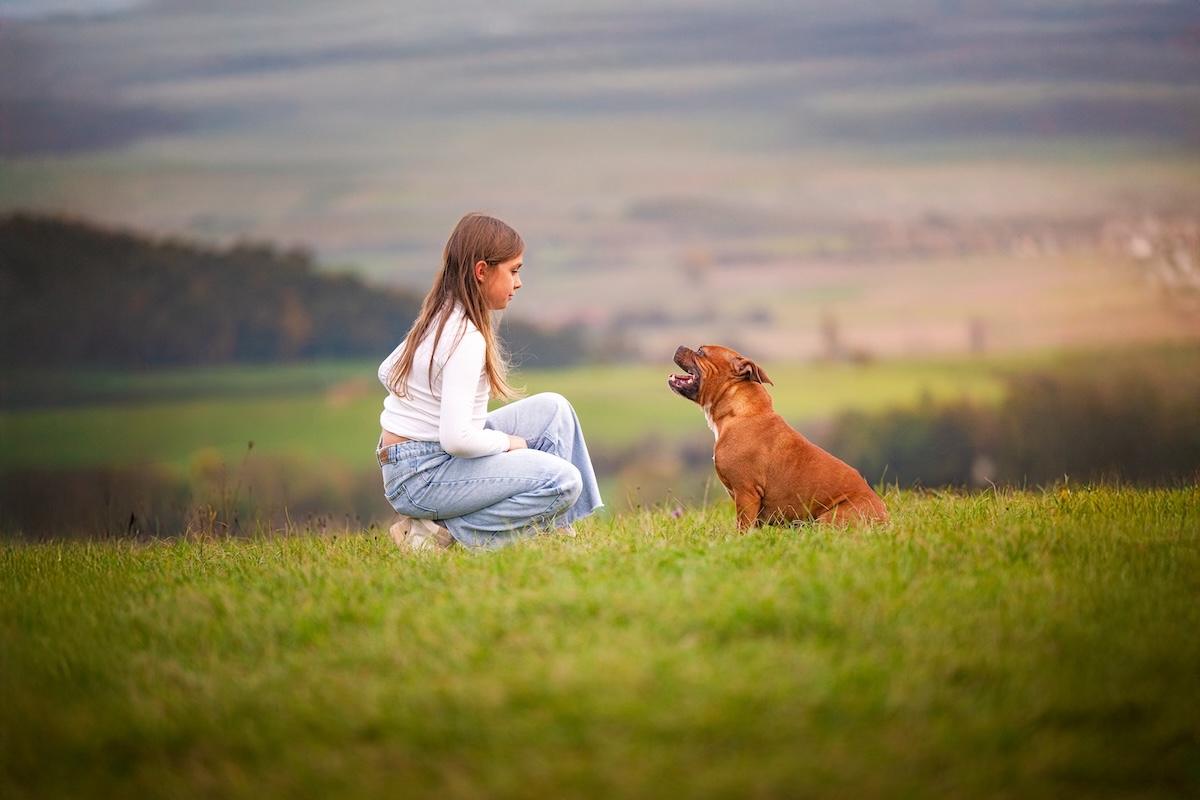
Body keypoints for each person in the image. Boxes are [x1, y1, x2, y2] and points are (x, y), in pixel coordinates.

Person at [376, 212, 603, 550]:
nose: (519, 282)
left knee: (555, 410)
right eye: (513, 271)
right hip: (421, 478)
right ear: (481, 271)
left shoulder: (440, 314)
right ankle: (440, 536)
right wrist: (509, 443)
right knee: (565, 481)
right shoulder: (465, 338)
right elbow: (457, 440)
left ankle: (554, 530)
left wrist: (420, 408)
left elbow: (387, 370)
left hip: (414, 460)